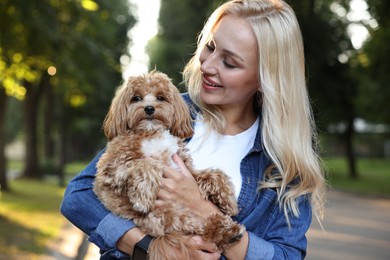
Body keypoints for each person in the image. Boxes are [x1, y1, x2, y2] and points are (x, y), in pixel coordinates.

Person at [60, 0, 327, 259]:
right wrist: (149, 248)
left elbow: (286, 255)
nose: (207, 66)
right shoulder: (169, 112)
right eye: (210, 47)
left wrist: (202, 208)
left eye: (230, 62)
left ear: (264, 78)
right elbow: (79, 197)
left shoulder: (283, 162)